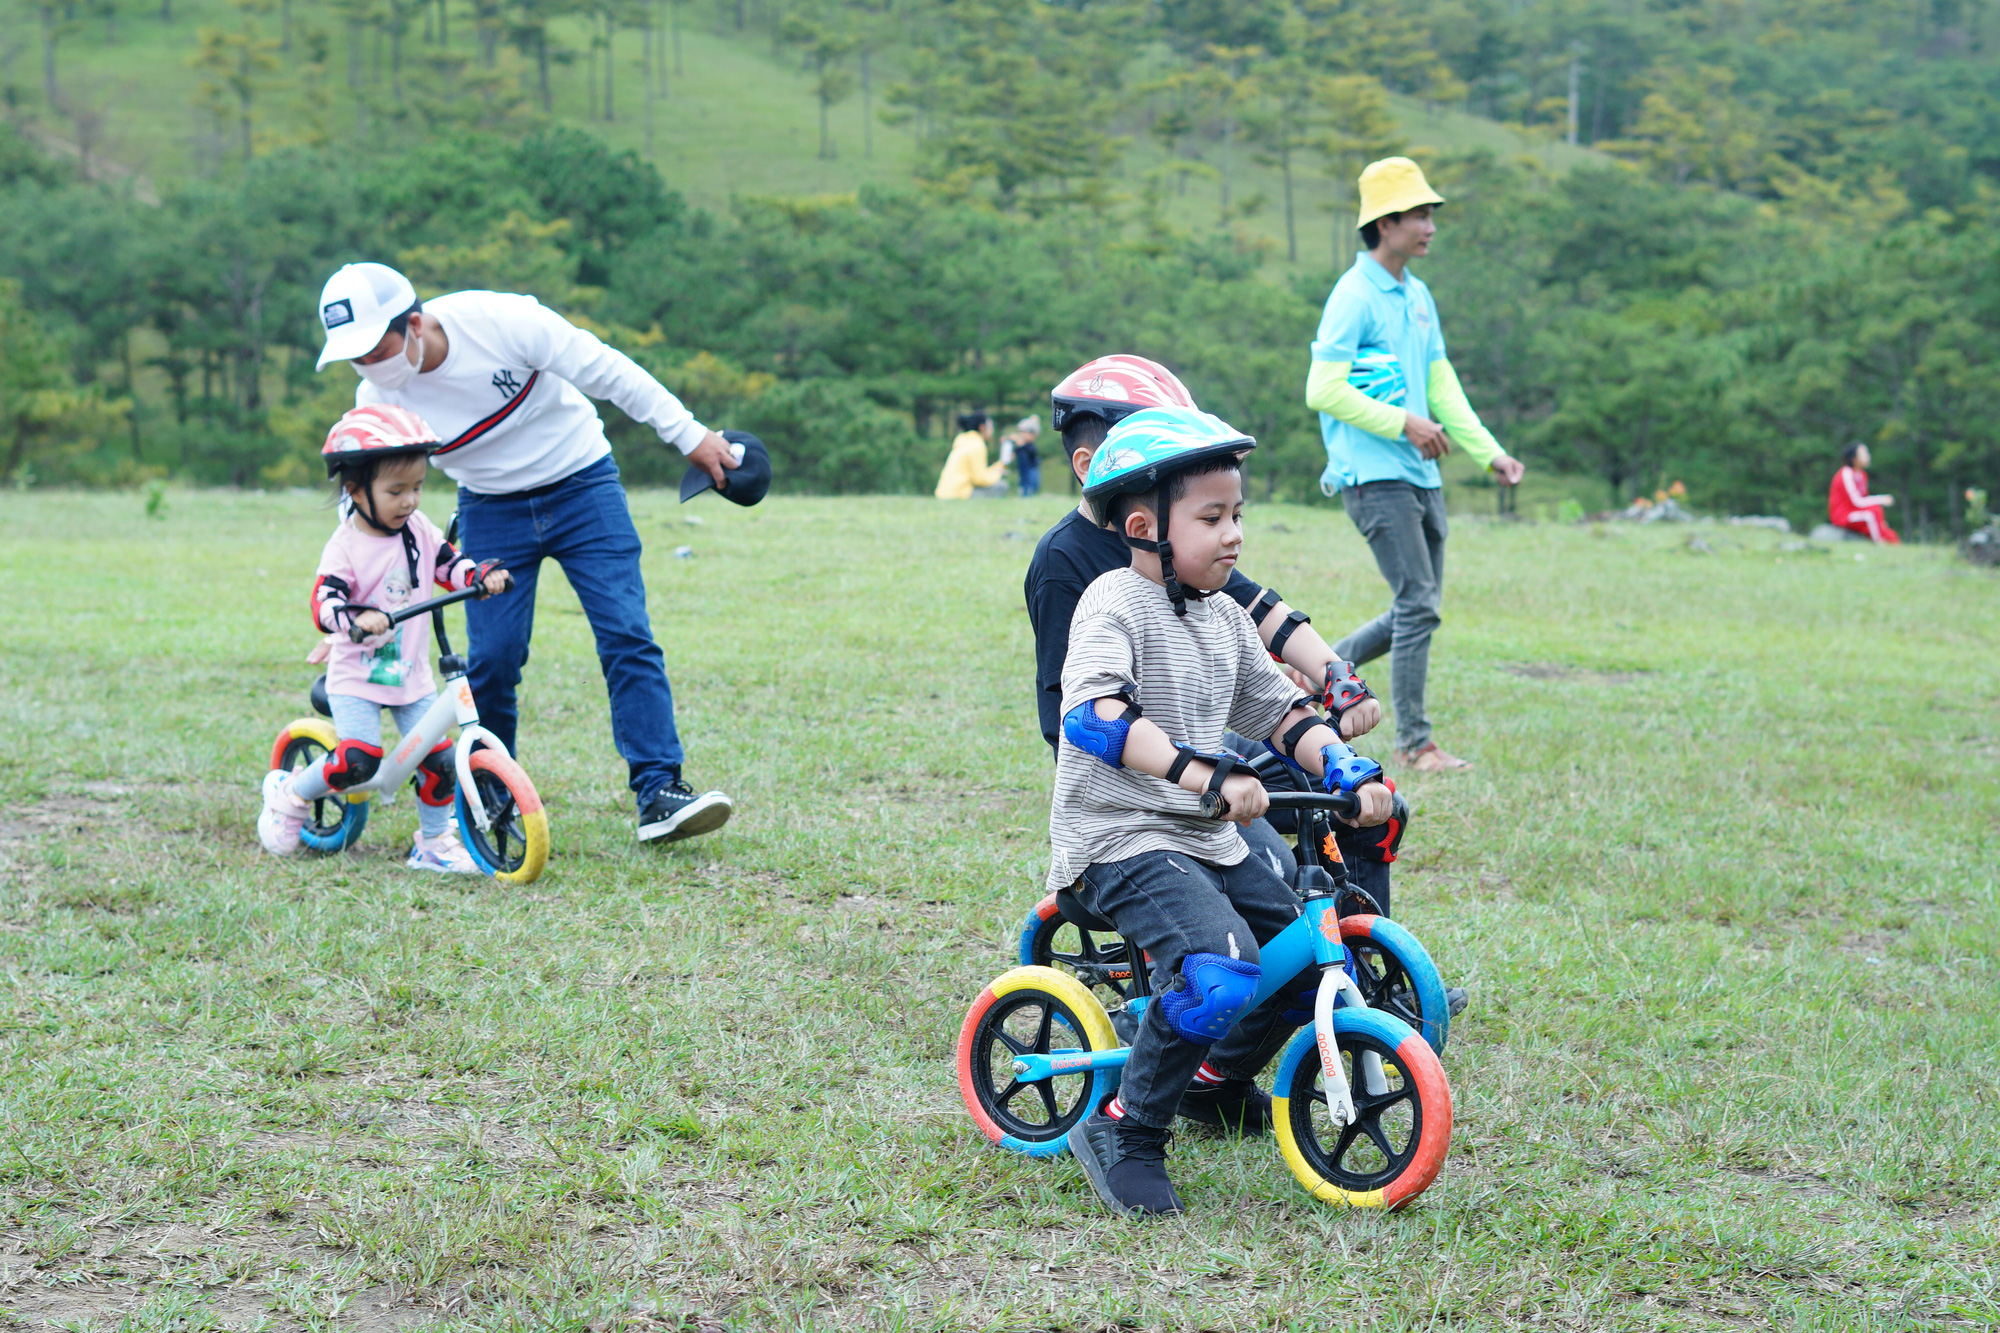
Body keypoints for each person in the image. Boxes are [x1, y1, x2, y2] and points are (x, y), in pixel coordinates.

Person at [1048, 406, 1396, 1218]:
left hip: (1204, 837)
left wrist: (1348, 769)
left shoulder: (1223, 617)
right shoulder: (1112, 604)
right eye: (1212, 517)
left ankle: (1210, 1078)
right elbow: (1091, 717)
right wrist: (1201, 773)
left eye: (1237, 514)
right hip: (1120, 838)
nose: (1234, 533)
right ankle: (1125, 1129)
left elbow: (1283, 713)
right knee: (1219, 964)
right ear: (1145, 527)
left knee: (1302, 956)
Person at [312, 262, 738, 844]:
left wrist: (690, 436)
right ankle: (490, 804)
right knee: (493, 659)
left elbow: (607, 369)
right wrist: (350, 604)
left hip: (583, 484)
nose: (367, 366)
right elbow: (361, 504)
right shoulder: (378, 395)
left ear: (413, 323)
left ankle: (660, 792)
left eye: (373, 347)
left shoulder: (501, 320)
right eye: (353, 356)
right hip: (492, 510)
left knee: (625, 632)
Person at [1306, 157, 1526, 774]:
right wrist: (1404, 422)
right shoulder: (1353, 296)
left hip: (1421, 476)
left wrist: (1488, 452)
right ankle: (1413, 743)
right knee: (1418, 603)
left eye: (1431, 214)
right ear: (1385, 221)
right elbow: (1322, 389)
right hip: (1374, 477)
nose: (1430, 225)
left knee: (1419, 606)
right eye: (1420, 214)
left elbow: (1440, 382)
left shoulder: (1417, 295)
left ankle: (1319, 669)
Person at [258, 405, 512, 871]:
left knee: (438, 761)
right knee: (358, 760)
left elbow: (447, 563)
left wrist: (478, 575)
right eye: (396, 491)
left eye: (416, 487)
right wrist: (356, 618)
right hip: (357, 675)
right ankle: (289, 792)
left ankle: (433, 844)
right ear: (355, 489)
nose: (410, 501)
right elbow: (324, 603)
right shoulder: (345, 546)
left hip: (409, 674)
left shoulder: (417, 529)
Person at [1829, 442, 1899, 544]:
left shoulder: (1862, 475)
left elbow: (1864, 498)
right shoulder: (1846, 473)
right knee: (1872, 513)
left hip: (1856, 512)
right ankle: (1878, 543)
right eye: (1864, 453)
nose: (1868, 456)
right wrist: (1881, 499)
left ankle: (1888, 541)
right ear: (1854, 458)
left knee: (1886, 528)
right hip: (1844, 515)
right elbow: (1857, 501)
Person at [934, 411, 1012, 499]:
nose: (992, 431)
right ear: (982, 427)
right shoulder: (977, 445)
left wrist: (1001, 465)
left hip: (944, 493)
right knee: (1002, 486)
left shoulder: (965, 441)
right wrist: (997, 475)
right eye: (990, 427)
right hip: (960, 493)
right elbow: (979, 479)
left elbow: (980, 472)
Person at [1002, 415, 1043, 497]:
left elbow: (1031, 453)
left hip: (1031, 472)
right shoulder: (1020, 446)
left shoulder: (1030, 446)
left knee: (1030, 487)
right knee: (1023, 486)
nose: (1021, 435)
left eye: (1024, 432)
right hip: (1023, 473)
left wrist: (1021, 445)